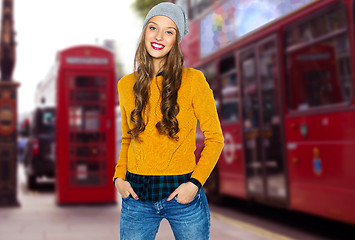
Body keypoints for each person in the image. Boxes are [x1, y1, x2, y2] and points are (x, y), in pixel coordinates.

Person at [113, 2, 224, 239]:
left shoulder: (194, 80)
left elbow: (215, 139)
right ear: (144, 31)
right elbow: (126, 139)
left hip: (183, 194)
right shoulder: (125, 85)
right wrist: (119, 178)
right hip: (136, 198)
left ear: (176, 40)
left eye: (169, 31)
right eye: (153, 27)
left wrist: (194, 185)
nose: (159, 37)